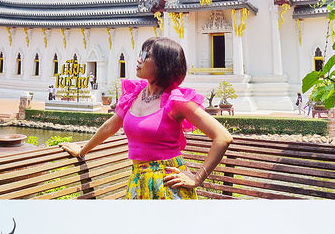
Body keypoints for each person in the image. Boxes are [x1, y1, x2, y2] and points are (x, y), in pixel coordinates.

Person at [62, 38, 232, 199]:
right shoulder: (135, 95)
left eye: (145, 56)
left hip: (168, 184)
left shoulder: (176, 102)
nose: (139, 60)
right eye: (140, 54)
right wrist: (82, 150)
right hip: (137, 180)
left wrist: (197, 178)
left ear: (163, 64)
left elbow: (223, 137)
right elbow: (109, 127)